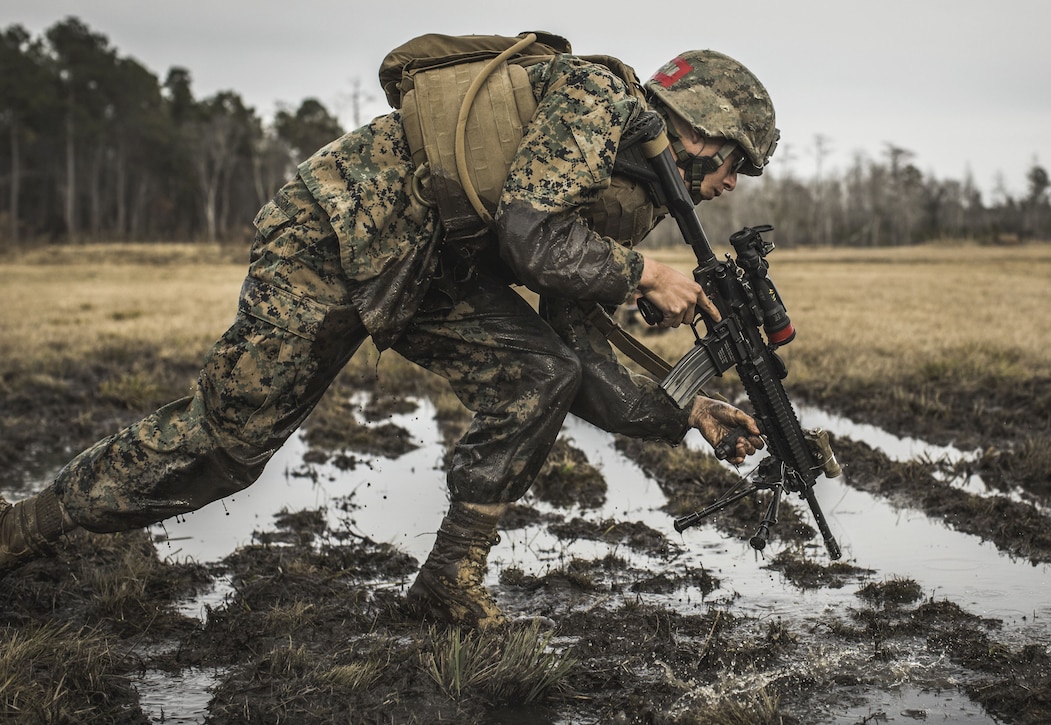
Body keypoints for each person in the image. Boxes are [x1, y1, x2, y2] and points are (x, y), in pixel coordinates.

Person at [0, 39, 778, 630]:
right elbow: (528, 232)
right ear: (702, 129)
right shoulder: (598, 98)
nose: (732, 183)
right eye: (736, 160)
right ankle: (24, 527)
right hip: (336, 231)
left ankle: (448, 579)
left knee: (540, 372)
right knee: (226, 446)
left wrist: (686, 406)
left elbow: (576, 349)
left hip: (427, 263)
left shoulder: (632, 193)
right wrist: (644, 274)